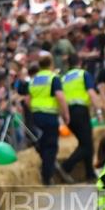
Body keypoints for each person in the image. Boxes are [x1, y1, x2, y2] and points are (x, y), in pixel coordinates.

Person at [24, 52, 70, 186]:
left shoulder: (33, 79)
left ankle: (39, 145)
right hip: (49, 115)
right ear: (51, 64)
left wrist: (34, 108)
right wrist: (65, 113)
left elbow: (28, 100)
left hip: (36, 115)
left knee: (45, 142)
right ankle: (47, 177)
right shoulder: (53, 78)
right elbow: (60, 97)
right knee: (51, 146)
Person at [57, 52, 103, 183]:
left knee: (85, 143)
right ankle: (66, 166)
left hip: (69, 113)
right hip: (80, 111)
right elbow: (91, 93)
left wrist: (63, 116)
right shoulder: (83, 74)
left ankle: (90, 174)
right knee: (87, 146)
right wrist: (99, 111)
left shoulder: (63, 78)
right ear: (80, 63)